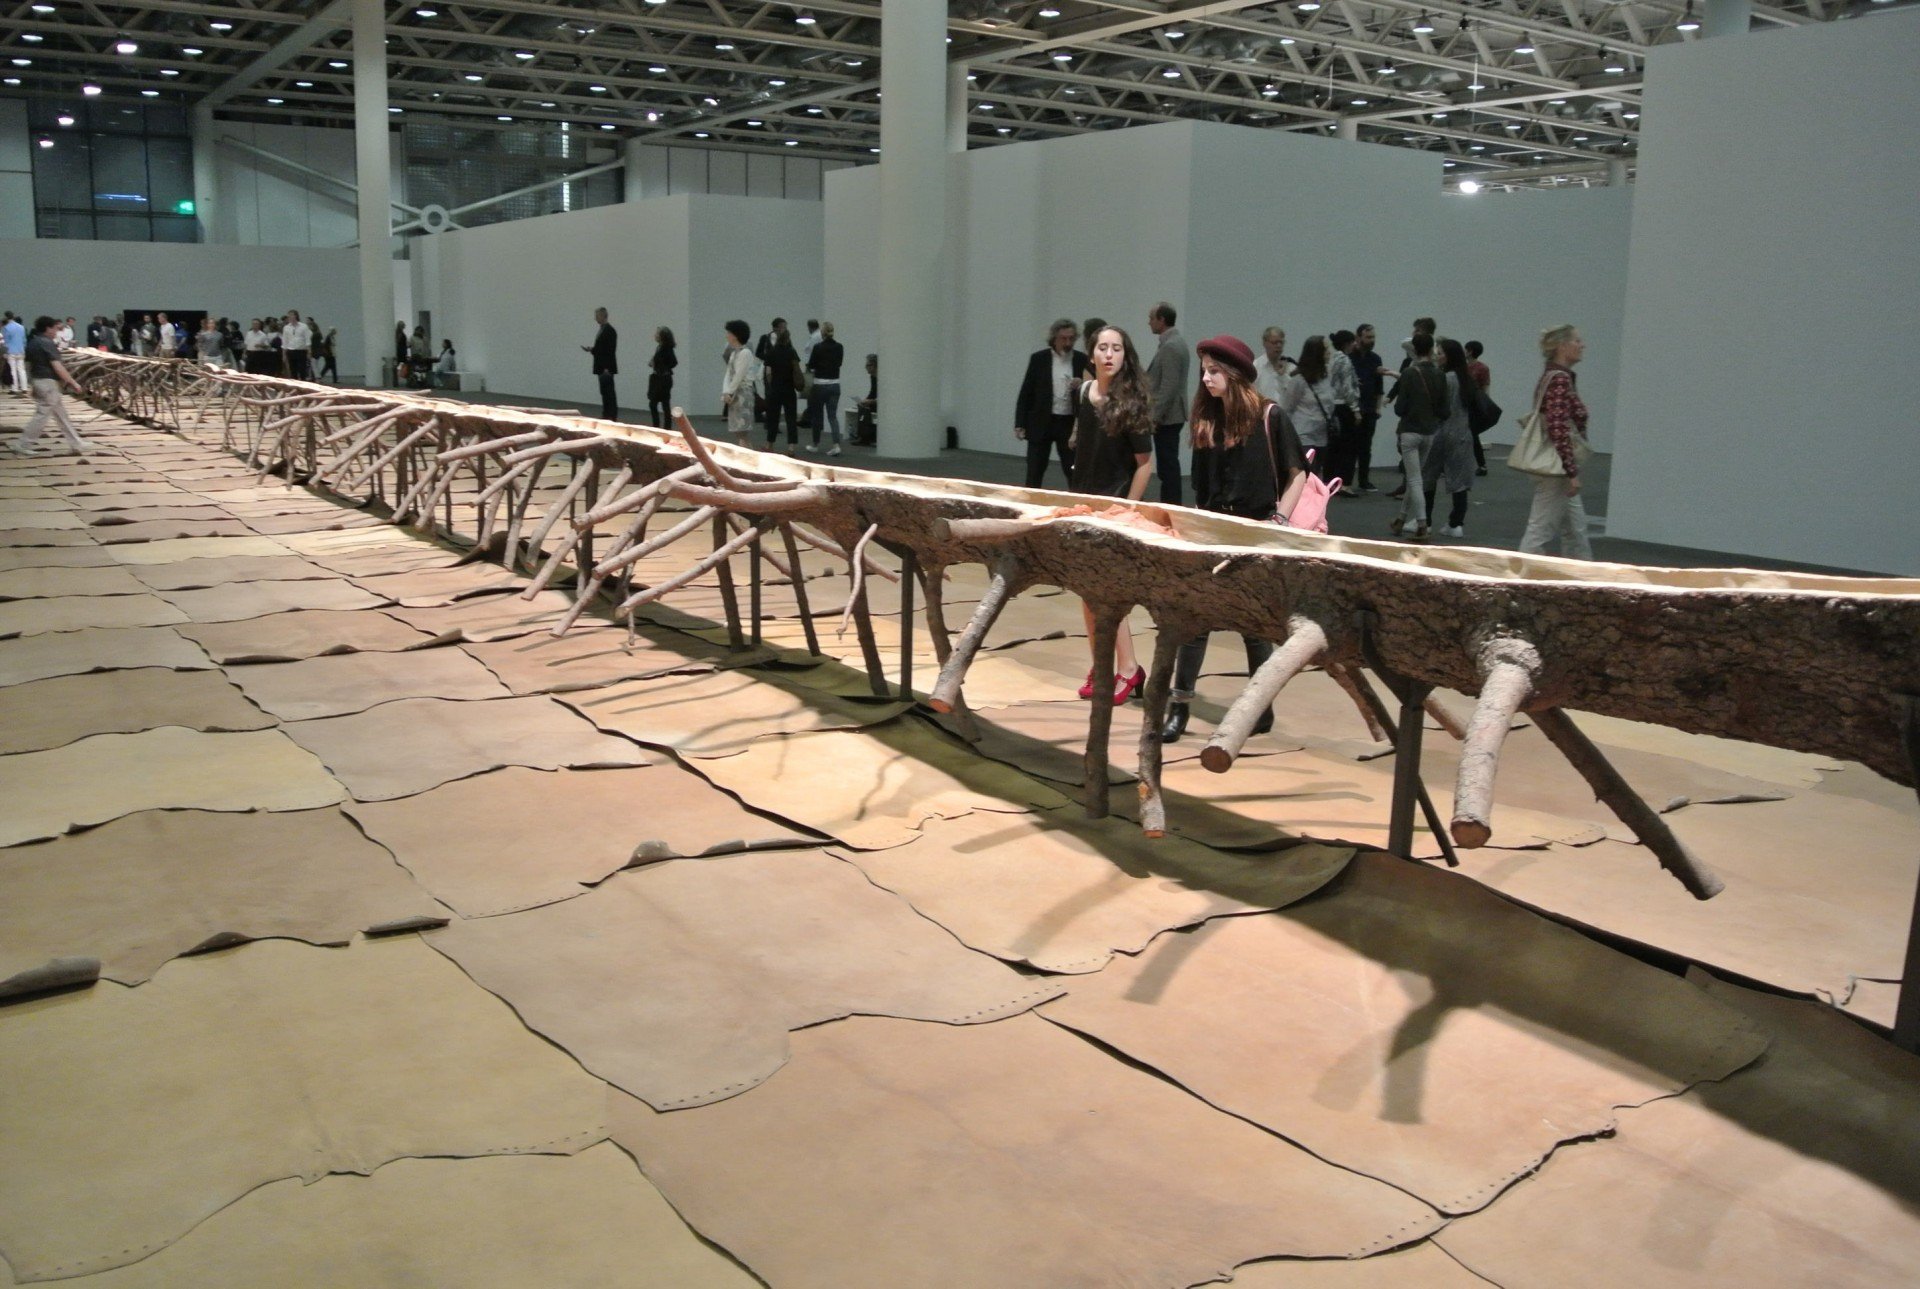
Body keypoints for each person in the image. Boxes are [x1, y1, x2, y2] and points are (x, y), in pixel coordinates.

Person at [1160, 335, 1309, 742]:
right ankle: (1179, 708)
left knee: (1254, 626)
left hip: (1255, 533)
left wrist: (1279, 520)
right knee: (1196, 621)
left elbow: (1298, 472)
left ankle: (1260, 708)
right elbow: (1201, 487)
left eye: (1214, 371)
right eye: (1204, 371)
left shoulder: (1270, 416)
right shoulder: (1206, 421)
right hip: (1213, 532)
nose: (1206, 379)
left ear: (1235, 374)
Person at [1068, 325, 1155, 705]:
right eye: (1102, 347)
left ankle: (1129, 668)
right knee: (1088, 593)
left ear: (1125, 355)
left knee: (1106, 595)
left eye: (1116, 348)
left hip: (1114, 510)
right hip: (1083, 506)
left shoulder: (1131, 403)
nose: (1109, 354)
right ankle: (1103, 667)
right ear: (1091, 354)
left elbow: (1145, 464)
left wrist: (1127, 508)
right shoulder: (1083, 394)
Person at [1518, 324, 1593, 559]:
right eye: (1577, 341)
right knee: (1540, 529)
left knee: (1575, 530)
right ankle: (1520, 575)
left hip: (1556, 465)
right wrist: (1571, 472)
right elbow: (1558, 426)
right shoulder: (1560, 379)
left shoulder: (1555, 376)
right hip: (1556, 468)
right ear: (1562, 346)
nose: (1582, 345)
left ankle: (1580, 574)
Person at [1013, 318, 1087, 489]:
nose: (1067, 343)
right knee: (1034, 470)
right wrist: (1020, 423)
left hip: (1068, 423)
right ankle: (1030, 501)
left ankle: (1077, 501)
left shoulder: (1081, 360)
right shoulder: (1039, 359)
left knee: (1073, 470)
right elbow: (1026, 392)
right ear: (1054, 338)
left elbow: (1093, 388)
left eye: (1071, 338)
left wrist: (1082, 383)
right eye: (1063, 338)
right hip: (1041, 421)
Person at [1389, 331, 1448, 541]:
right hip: (1429, 432)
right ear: (1432, 349)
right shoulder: (1440, 374)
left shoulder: (1409, 373)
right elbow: (1445, 410)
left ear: (1414, 349)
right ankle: (1401, 519)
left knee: (1414, 479)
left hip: (1410, 431)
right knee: (1416, 477)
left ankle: (1422, 524)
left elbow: (1399, 408)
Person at [12, 316, 92, 456]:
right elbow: (57, 367)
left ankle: (76, 443)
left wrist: (32, 384)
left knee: (61, 414)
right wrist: (72, 382)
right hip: (48, 382)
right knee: (42, 414)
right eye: (55, 328)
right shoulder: (47, 343)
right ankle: (23, 444)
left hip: (39, 381)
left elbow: (28, 365)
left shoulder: (33, 342)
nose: (57, 331)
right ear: (48, 328)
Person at [1422, 338, 1477, 539]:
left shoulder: (1445, 379)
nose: (1437, 356)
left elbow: (1436, 406)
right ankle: (1456, 523)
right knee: (1459, 482)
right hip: (1463, 433)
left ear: (1449, 356)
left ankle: (1425, 520)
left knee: (1428, 476)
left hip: (1441, 432)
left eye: (1440, 353)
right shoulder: (1466, 378)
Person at [1144, 301, 1190, 506]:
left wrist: (1153, 417)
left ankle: (1171, 505)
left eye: (1151, 318)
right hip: (1171, 415)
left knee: (1168, 466)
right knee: (1168, 464)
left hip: (1168, 417)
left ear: (1161, 320)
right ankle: (1171, 504)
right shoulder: (1174, 342)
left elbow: (1168, 387)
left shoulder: (1171, 346)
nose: (1149, 322)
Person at [1279, 335, 1338, 478]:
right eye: (1326, 350)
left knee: (1316, 474)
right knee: (1306, 474)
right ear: (1317, 353)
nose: (1329, 353)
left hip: (1322, 434)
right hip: (1303, 434)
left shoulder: (1326, 378)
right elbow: (1286, 408)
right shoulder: (1299, 381)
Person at [1349, 323, 1385, 493]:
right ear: (1358, 338)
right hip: (1352, 408)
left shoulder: (1376, 359)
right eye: (1368, 337)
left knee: (1366, 447)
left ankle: (1364, 480)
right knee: (1350, 446)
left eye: (1373, 337)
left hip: (1370, 408)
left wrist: (1378, 408)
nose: (1371, 340)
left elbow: (1379, 386)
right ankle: (1346, 480)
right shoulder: (1349, 358)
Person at [1324, 328, 1361, 491]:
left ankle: (1329, 481)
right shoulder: (1345, 360)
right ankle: (1345, 483)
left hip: (1332, 407)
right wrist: (1355, 409)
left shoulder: (1331, 358)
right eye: (1352, 342)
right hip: (1345, 407)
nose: (1355, 345)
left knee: (1333, 447)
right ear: (1347, 344)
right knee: (1349, 447)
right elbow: (1347, 387)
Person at [805, 321, 845, 456]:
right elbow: (839, 363)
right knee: (832, 416)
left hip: (820, 384)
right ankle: (836, 445)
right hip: (835, 384)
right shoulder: (839, 347)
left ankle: (815, 444)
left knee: (817, 416)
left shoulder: (818, 347)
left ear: (822, 333)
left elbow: (811, 365)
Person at [760, 318, 801, 450]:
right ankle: (791, 447)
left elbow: (768, 372)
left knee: (773, 417)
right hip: (789, 389)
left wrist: (771, 384)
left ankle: (769, 444)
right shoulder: (792, 352)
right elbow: (796, 370)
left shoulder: (772, 352)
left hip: (776, 389)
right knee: (791, 418)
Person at [720, 320, 757, 446]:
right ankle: (747, 451)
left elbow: (739, 376)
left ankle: (746, 453)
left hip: (742, 394)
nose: (727, 336)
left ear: (735, 335)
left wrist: (729, 392)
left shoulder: (745, 353)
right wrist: (726, 391)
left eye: (729, 333)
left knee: (742, 430)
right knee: (738, 431)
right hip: (735, 394)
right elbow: (728, 374)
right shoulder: (734, 353)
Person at [581, 307, 617, 419]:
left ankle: (611, 415)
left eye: (597, 316)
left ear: (602, 316)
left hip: (605, 368)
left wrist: (606, 367)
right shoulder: (603, 329)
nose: (595, 318)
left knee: (608, 393)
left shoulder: (609, 331)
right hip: (602, 366)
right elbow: (602, 348)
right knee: (604, 392)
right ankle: (607, 414)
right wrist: (592, 349)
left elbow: (610, 350)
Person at [1464, 339, 1491, 475]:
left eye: (1465, 349)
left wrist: (1484, 406)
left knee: (1472, 434)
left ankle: (1481, 464)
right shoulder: (1463, 367)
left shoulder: (1482, 368)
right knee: (1470, 435)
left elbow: (1485, 387)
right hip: (1463, 403)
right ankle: (1480, 464)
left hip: (1473, 405)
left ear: (1470, 351)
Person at [647, 326, 678, 428]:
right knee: (658, 403)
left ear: (662, 336)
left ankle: (663, 426)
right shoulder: (659, 347)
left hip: (663, 378)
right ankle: (661, 426)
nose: (655, 335)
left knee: (661, 404)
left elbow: (673, 362)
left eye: (657, 334)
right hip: (659, 378)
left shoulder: (666, 348)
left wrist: (661, 366)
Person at [1252, 326, 1290, 403]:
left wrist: (1282, 376)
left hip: (1284, 410)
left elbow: (1293, 395)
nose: (1279, 346)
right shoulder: (1255, 367)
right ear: (1265, 343)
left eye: (1281, 342)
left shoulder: (1291, 367)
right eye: (1275, 343)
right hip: (1262, 409)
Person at [854, 353, 878, 446]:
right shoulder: (873, 377)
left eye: (867, 365)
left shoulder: (882, 377)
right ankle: (863, 436)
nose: (865, 367)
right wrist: (864, 401)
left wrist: (870, 401)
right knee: (862, 407)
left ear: (874, 365)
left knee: (865, 409)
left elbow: (886, 397)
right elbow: (873, 392)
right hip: (875, 402)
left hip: (884, 404)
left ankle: (868, 437)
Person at [282, 310, 312, 380]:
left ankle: (303, 383)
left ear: (296, 316)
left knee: (302, 370)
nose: (289, 317)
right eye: (288, 315)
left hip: (301, 351)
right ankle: (295, 384)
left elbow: (307, 340)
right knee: (293, 370)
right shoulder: (286, 327)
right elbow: (285, 342)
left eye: (291, 315)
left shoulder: (304, 326)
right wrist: (284, 354)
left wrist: (309, 351)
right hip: (291, 351)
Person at [3, 312, 25, 394]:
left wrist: (5, 352)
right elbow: (24, 340)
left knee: (12, 370)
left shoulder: (7, 328)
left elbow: (6, 341)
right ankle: (24, 387)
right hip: (21, 350)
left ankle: (14, 388)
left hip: (11, 351)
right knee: (21, 370)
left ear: (6, 317)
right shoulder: (21, 327)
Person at [394, 321, 409, 386]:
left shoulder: (399, 333)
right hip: (401, 351)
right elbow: (398, 341)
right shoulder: (400, 333)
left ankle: (399, 379)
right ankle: (401, 378)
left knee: (400, 365)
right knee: (402, 365)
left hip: (401, 350)